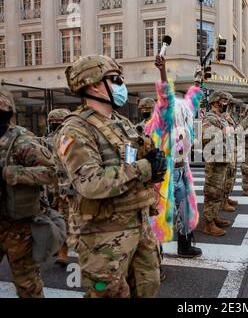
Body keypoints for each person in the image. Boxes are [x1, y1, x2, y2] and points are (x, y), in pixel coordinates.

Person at [54, 55, 167, 298]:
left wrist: (155, 159)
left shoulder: (121, 122)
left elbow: (138, 154)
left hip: (138, 223)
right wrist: (146, 168)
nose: (121, 86)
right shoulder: (75, 129)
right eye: (115, 80)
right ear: (94, 84)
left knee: (148, 287)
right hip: (103, 236)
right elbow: (91, 183)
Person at [0, 87, 58, 298]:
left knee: (27, 285)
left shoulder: (21, 140)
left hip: (19, 228)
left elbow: (53, 172)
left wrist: (11, 173)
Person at [145, 55, 202, 259]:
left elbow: (192, 102)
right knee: (159, 214)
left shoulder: (184, 116)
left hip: (181, 171)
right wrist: (163, 71)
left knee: (185, 210)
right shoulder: (161, 123)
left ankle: (185, 246)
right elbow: (166, 97)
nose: (182, 115)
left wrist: (198, 81)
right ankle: (155, 255)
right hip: (165, 175)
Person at [202, 91, 233, 236]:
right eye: (223, 100)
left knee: (219, 190)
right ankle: (208, 224)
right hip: (215, 160)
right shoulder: (209, 117)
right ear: (215, 102)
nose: (226, 103)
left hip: (223, 159)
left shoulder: (222, 119)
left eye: (227, 101)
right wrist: (223, 132)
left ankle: (214, 216)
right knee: (212, 191)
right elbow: (206, 137)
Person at [44, 108, 72, 266]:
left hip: (68, 190)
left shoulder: (68, 140)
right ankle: (62, 251)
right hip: (55, 190)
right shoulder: (49, 140)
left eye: (57, 123)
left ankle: (64, 252)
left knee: (69, 223)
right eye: (52, 123)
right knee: (60, 222)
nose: (55, 126)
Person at [222, 96, 241, 213]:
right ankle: (223, 201)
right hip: (226, 151)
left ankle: (227, 198)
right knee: (225, 177)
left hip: (232, 150)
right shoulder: (221, 117)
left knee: (231, 176)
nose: (228, 105)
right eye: (227, 103)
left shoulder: (229, 116)